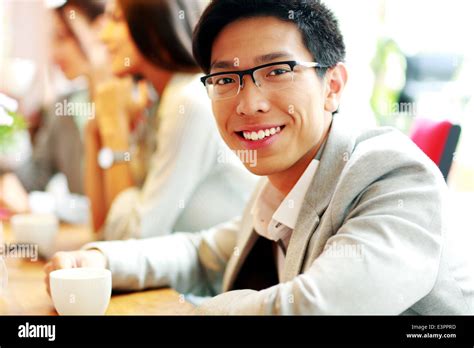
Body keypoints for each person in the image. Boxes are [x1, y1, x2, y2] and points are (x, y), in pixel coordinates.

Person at [45, 0, 474, 314]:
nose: (249, 103)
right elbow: (203, 254)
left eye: (276, 71)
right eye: (227, 78)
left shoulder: (390, 174)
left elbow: (318, 308)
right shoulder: (280, 184)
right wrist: (99, 259)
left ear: (333, 86)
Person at [85, 0, 256, 239]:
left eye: (116, 20)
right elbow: (104, 230)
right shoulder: (158, 103)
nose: (104, 36)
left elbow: (132, 240)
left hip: (223, 274)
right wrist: (94, 133)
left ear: (155, 26)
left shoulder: (187, 101)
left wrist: (115, 130)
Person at [0, 0, 106, 216]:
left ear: (101, 28)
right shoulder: (64, 107)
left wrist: (41, 205)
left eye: (62, 37)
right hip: (80, 243)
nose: (53, 53)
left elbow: (117, 208)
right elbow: (30, 178)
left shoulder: (139, 103)